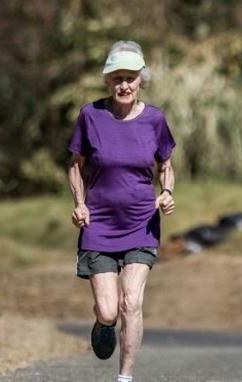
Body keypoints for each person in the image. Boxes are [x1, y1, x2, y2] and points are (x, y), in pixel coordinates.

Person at [67, 40, 176, 382]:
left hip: (141, 223)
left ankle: (125, 378)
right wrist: (79, 203)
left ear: (141, 79)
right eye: (117, 78)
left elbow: (166, 164)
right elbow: (75, 164)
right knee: (110, 309)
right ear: (107, 80)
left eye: (130, 77)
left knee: (132, 303)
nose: (124, 85)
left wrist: (168, 192)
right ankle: (102, 321)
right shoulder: (91, 116)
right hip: (99, 226)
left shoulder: (155, 120)